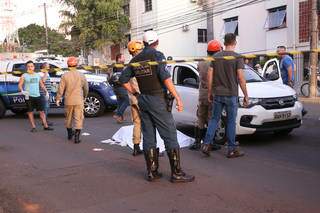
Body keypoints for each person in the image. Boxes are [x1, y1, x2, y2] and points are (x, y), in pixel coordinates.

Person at [119, 30, 195, 183]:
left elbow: (122, 79)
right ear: (157, 42)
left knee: (148, 136)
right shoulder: (157, 55)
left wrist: (136, 93)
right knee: (170, 135)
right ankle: (176, 173)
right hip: (157, 99)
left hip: (144, 100)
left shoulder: (136, 59)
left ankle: (152, 172)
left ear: (145, 42)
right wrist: (178, 97)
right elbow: (166, 78)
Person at [201, 33, 249, 158]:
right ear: (235, 42)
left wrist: (210, 92)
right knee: (231, 122)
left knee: (214, 119)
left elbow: (209, 76)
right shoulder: (237, 57)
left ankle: (206, 144)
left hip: (218, 94)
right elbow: (241, 77)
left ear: (224, 42)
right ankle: (232, 149)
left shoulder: (216, 56)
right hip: (231, 94)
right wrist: (246, 95)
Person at [189, 40, 222, 151]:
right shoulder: (216, 62)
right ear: (217, 51)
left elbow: (199, 72)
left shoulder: (201, 61)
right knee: (211, 118)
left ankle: (197, 142)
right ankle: (210, 143)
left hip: (202, 92)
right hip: (212, 93)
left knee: (200, 117)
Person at [56, 56, 89, 143]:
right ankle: (77, 138)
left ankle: (70, 134)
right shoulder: (81, 75)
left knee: (68, 118)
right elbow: (86, 88)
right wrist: (85, 96)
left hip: (68, 100)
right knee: (78, 118)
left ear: (68, 65)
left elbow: (60, 89)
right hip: (79, 100)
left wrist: (58, 98)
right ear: (77, 65)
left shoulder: (64, 76)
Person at [18, 60, 54, 132]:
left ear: (34, 67)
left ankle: (45, 126)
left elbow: (41, 84)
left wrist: (46, 92)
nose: (30, 68)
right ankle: (33, 127)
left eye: (31, 66)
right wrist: (22, 91)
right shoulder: (24, 76)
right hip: (29, 96)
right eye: (28, 66)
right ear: (26, 67)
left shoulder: (37, 75)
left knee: (42, 112)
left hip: (38, 95)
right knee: (30, 112)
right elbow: (19, 85)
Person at [127, 40, 144, 156]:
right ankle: (150, 147)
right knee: (147, 123)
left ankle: (136, 146)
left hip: (133, 98)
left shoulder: (129, 64)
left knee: (137, 123)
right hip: (142, 97)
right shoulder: (142, 63)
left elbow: (124, 81)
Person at [110, 53, 130, 123]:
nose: (124, 59)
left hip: (116, 87)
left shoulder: (116, 66)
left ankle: (119, 119)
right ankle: (118, 114)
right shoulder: (119, 66)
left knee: (120, 101)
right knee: (127, 100)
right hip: (120, 86)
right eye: (123, 57)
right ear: (119, 59)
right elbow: (119, 77)